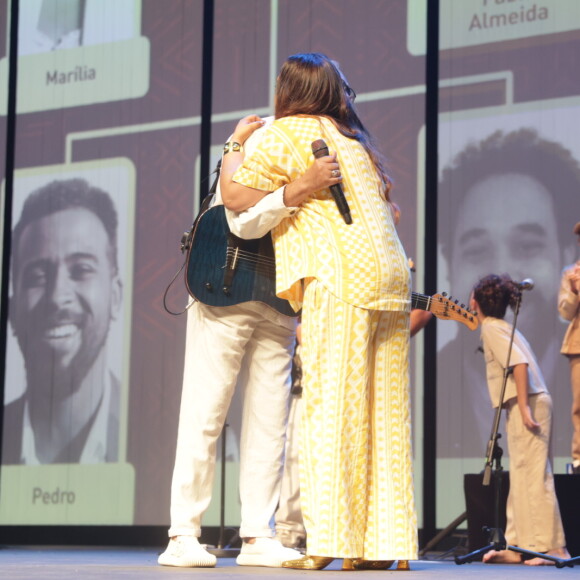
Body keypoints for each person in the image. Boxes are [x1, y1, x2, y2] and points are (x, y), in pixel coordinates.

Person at [221, 52, 416, 570]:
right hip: (393, 276)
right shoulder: (356, 141)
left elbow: (234, 195)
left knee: (333, 412)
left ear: (289, 89)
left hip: (341, 277)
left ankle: (330, 540)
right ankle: (386, 547)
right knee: (385, 417)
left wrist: (236, 142)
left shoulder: (287, 133)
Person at [157, 123, 337, 568]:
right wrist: (294, 187)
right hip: (226, 284)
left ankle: (258, 534)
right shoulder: (265, 138)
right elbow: (242, 216)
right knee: (206, 413)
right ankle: (183, 533)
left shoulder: (329, 149)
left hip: (277, 298)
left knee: (270, 422)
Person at [438, 128, 580, 458]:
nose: (503, 273)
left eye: (527, 246)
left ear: (563, 255)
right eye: (476, 250)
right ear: (450, 264)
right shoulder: (416, 384)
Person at [3, 178, 123, 464]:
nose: (57, 297)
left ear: (116, 297)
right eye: (37, 277)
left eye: (81, 270)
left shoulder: (162, 431)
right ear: (11, 310)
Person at [469, 274, 570, 565]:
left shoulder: (491, 329)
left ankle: (555, 548)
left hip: (531, 403)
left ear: (475, 301)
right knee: (522, 477)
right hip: (525, 403)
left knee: (536, 477)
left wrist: (524, 407)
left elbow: (520, 364)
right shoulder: (499, 327)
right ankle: (517, 545)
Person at [558, 221, 580, 474]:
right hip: (578, 345)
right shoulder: (571, 273)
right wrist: (574, 290)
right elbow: (565, 311)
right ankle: (579, 458)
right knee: (579, 405)